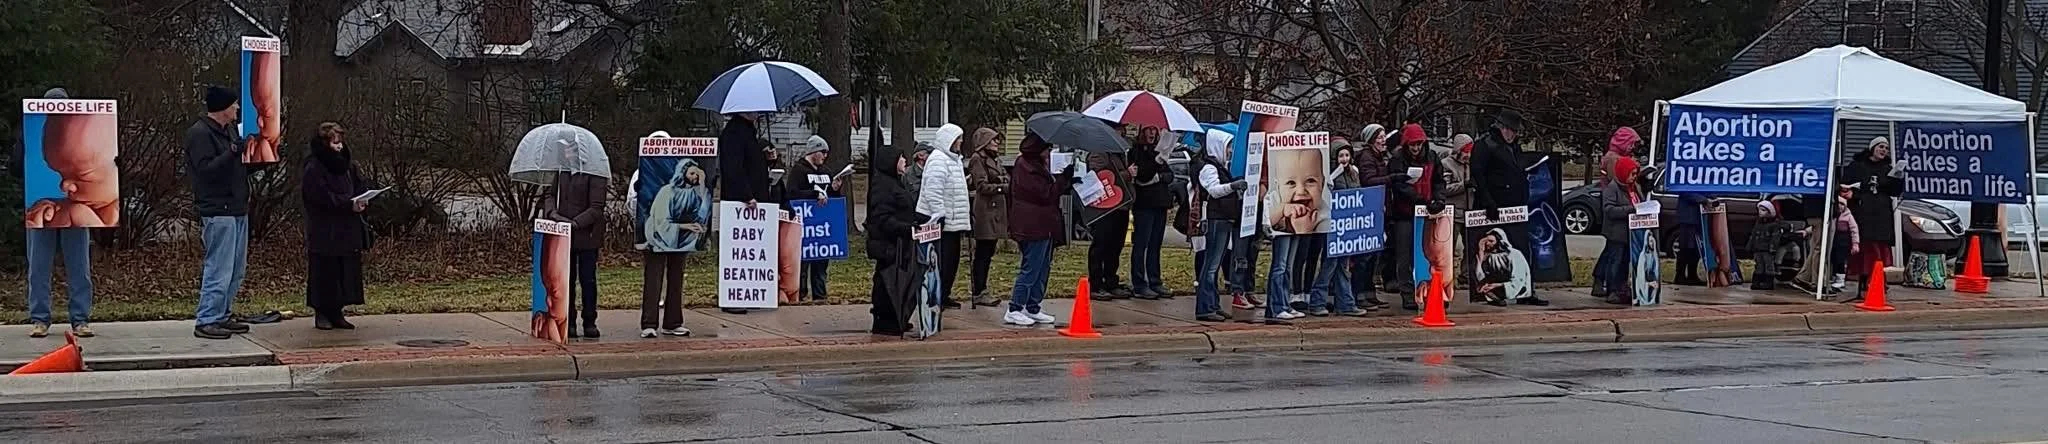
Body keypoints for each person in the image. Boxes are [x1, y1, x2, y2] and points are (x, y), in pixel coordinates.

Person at [186, 85, 257, 340]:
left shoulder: (227, 131)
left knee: (236, 268)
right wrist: (233, 152)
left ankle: (223, 313)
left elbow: (233, 168)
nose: (238, 109)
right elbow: (206, 170)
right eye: (234, 105)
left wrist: (256, 161)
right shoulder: (200, 134)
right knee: (219, 266)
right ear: (222, 108)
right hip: (218, 209)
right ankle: (207, 318)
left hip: (237, 207)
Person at [301, 123, 376, 330]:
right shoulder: (314, 166)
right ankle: (322, 312)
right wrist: (346, 203)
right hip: (325, 228)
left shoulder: (347, 165)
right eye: (335, 142)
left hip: (346, 226)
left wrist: (362, 199)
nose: (340, 147)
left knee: (344, 270)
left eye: (341, 142)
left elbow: (359, 184)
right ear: (325, 143)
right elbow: (318, 197)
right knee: (324, 270)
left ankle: (338, 311)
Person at [1469, 111, 1547, 306]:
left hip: (1515, 204)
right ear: (1501, 128)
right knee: (1494, 250)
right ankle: (1492, 293)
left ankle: (1526, 291)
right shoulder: (1485, 145)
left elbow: (1516, 167)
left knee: (1520, 246)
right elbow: (1478, 175)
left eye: (1515, 132)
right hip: (1495, 203)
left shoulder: (1513, 146)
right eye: (1510, 130)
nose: (1513, 135)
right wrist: (1487, 201)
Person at [542, 138, 610, 338]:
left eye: (572, 151)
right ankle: (568, 321)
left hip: (586, 236)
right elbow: (549, 195)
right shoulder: (561, 172)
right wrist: (552, 213)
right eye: (566, 151)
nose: (568, 155)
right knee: (566, 280)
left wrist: (576, 223)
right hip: (562, 236)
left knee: (587, 280)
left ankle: (589, 321)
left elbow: (597, 207)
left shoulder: (595, 173)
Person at [866, 140, 932, 337]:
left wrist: (925, 221)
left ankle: (897, 317)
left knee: (899, 281)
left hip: (900, 244)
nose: (904, 161)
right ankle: (885, 320)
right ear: (890, 162)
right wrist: (908, 229)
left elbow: (906, 210)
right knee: (887, 282)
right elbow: (883, 219)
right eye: (901, 158)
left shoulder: (895, 183)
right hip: (887, 245)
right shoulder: (882, 186)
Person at [1004, 132, 1061, 326]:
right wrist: (1061, 182)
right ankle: (1015, 307)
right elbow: (1044, 194)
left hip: (1043, 224)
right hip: (1031, 225)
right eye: (1047, 149)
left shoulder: (1037, 166)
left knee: (1043, 267)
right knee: (1031, 267)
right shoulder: (1026, 167)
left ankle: (1033, 305)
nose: (1049, 153)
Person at [717, 112, 771, 314]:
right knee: (737, 251)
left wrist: (768, 160)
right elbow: (733, 169)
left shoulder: (749, 133)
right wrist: (746, 195)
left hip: (754, 200)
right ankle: (733, 296)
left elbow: (752, 166)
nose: (758, 112)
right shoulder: (733, 133)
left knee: (751, 252)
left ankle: (750, 291)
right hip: (740, 203)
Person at [1307, 140, 1369, 317]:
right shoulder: (1328, 174)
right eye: (1341, 155)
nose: (1344, 159)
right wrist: (1331, 179)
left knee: (1343, 265)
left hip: (1348, 226)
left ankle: (1346, 303)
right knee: (1330, 264)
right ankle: (1317, 301)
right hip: (1331, 225)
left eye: (1347, 155)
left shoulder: (1354, 172)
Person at [1386, 123, 1445, 309]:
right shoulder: (1397, 159)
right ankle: (1408, 294)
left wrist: (1438, 199)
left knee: (1431, 253)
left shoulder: (1432, 157)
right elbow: (1398, 185)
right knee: (1404, 255)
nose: (1416, 148)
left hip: (1428, 212)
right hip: (1405, 213)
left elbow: (1439, 181)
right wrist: (1418, 198)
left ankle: (1432, 292)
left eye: (1419, 145)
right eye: (1412, 145)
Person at [1194, 129, 1249, 321]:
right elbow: (1215, 191)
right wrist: (1233, 187)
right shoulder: (1209, 168)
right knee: (1210, 265)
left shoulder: (1220, 167)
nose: (1230, 151)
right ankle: (1205, 307)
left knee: (1214, 266)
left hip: (1224, 219)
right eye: (1228, 147)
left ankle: (1213, 304)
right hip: (1216, 220)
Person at [918, 124, 973, 308]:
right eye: (958, 138)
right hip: (941, 221)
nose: (961, 141)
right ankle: (937, 295)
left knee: (952, 261)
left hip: (953, 222)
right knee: (942, 261)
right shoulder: (938, 160)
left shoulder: (954, 160)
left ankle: (945, 293)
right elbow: (933, 190)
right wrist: (938, 213)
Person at [1840, 137, 1904, 290]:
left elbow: (1894, 192)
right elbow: (1845, 186)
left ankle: (1877, 279)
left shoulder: (1888, 169)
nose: (1884, 150)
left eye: (1886, 148)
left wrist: (1899, 179)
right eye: (1881, 147)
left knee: (1878, 249)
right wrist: (1853, 195)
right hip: (1863, 213)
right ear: (1873, 148)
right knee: (1866, 248)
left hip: (1881, 215)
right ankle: (1865, 279)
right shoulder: (1857, 166)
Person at [786, 135, 842, 302]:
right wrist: (813, 194)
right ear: (814, 152)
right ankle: (800, 294)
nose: (825, 156)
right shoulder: (799, 170)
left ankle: (820, 295)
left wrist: (834, 189)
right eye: (823, 152)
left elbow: (830, 197)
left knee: (821, 263)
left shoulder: (826, 172)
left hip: (822, 228)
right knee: (802, 262)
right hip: (805, 225)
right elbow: (792, 194)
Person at [1591, 127, 1640, 300]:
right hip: (1617, 211)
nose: (1633, 147)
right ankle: (1608, 283)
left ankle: (1605, 282)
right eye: (1631, 143)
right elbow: (1619, 179)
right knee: (1614, 254)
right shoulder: (1614, 160)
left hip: (1620, 212)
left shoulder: (1612, 157)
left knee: (1613, 252)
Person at [965, 128, 1011, 307]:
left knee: (989, 252)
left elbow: (1006, 177)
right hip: (985, 211)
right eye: (993, 140)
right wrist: (1002, 186)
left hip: (996, 211)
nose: (997, 143)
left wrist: (1002, 181)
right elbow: (982, 185)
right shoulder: (978, 160)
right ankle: (979, 290)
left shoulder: (995, 159)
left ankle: (983, 287)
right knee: (983, 253)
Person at [1084, 142, 1136, 301]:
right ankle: (1096, 284)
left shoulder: (1119, 153)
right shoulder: (1099, 152)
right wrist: (1126, 174)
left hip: (1120, 205)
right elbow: (1100, 176)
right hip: (1105, 207)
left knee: (1115, 246)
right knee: (1101, 245)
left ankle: (1111, 280)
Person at [1130, 127, 1176, 300]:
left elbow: (1169, 175)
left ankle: (1155, 280)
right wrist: (1156, 164)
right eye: (1149, 130)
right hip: (1145, 204)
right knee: (1142, 244)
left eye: (1154, 131)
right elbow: (1143, 176)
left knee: (1156, 244)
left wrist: (1158, 175)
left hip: (1160, 202)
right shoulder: (1136, 152)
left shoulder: (1159, 152)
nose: (1152, 134)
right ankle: (1139, 283)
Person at [1350, 124, 1392, 310]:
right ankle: (1359, 293)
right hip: (1369, 210)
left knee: (1374, 255)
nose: (1384, 140)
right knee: (1365, 257)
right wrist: (1391, 179)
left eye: (1384, 136)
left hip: (1378, 209)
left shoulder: (1378, 157)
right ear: (1371, 139)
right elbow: (1368, 181)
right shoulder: (1367, 157)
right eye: (1380, 137)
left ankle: (1369, 292)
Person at [1598, 155, 1643, 305]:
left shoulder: (1635, 187)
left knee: (1625, 262)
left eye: (1636, 174)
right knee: (1614, 262)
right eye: (1632, 174)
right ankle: (1612, 290)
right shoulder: (1613, 189)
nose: (1634, 177)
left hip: (1631, 232)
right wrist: (1631, 210)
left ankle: (1622, 288)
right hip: (1616, 233)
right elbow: (1609, 210)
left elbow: (1640, 202)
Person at [1830, 184, 1863, 297]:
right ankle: (1834, 277)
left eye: (1842, 204)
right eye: (1838, 204)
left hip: (1844, 240)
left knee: (1840, 260)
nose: (1840, 206)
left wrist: (1855, 244)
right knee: (1833, 259)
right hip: (1834, 239)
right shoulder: (1833, 216)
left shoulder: (1848, 216)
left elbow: (1854, 230)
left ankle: (1840, 279)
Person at [1672, 192, 1712, 286]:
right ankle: (1680, 276)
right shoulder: (1685, 180)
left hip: (1698, 216)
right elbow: (1685, 192)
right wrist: (1703, 199)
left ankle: (1692, 275)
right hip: (1688, 217)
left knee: (1695, 249)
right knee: (1686, 247)